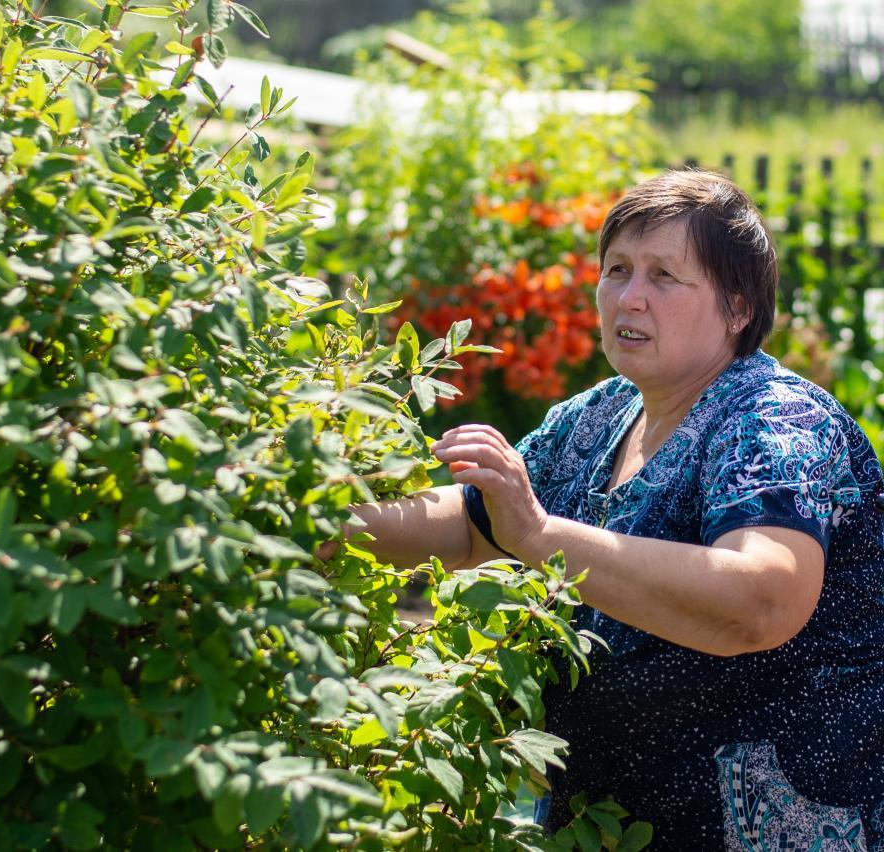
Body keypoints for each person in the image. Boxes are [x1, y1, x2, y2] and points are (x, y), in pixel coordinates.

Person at [349, 169, 884, 847]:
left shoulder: (776, 418)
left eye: (664, 276)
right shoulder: (600, 415)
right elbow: (471, 523)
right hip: (605, 822)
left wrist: (541, 536)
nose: (629, 297)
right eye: (617, 270)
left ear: (738, 307)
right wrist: (307, 523)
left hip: (761, 829)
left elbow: (762, 601)